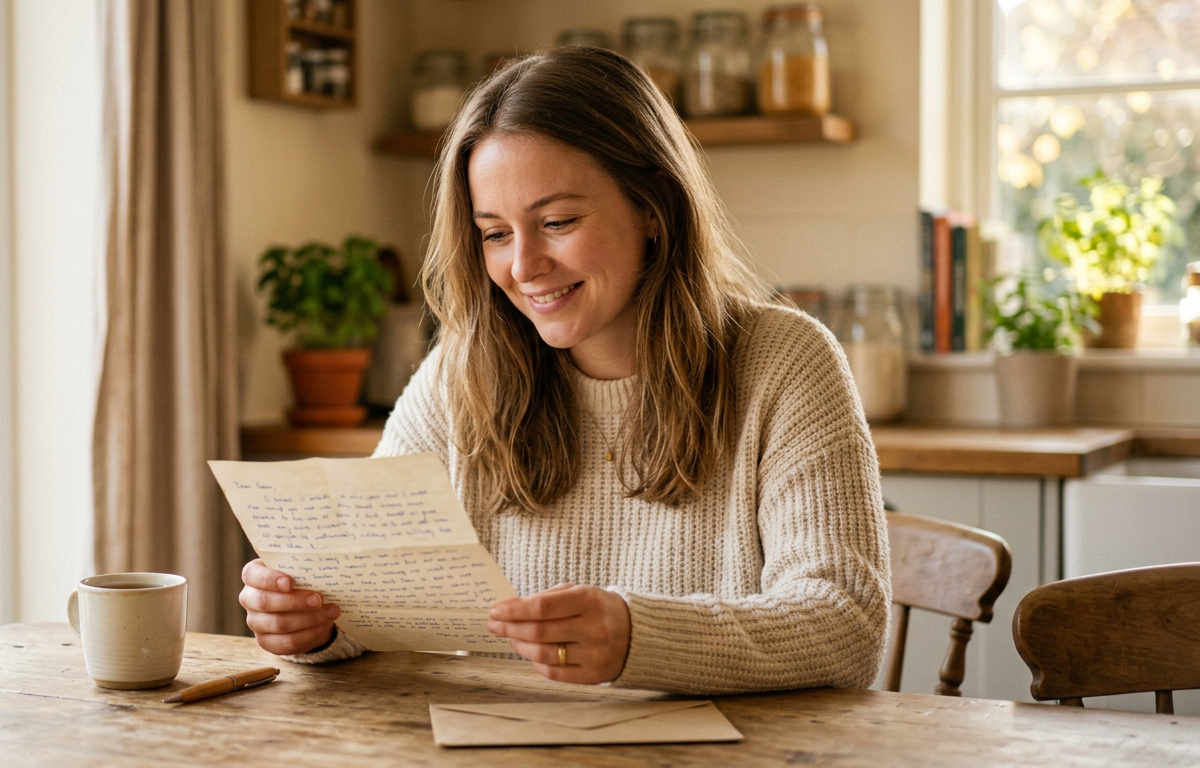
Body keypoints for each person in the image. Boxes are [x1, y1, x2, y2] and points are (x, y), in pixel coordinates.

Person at [239, 46, 890, 696]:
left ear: (653, 208)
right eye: (495, 233)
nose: (523, 267)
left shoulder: (784, 361)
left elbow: (844, 625)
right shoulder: (462, 370)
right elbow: (372, 596)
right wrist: (314, 622)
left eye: (556, 222)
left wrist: (642, 637)